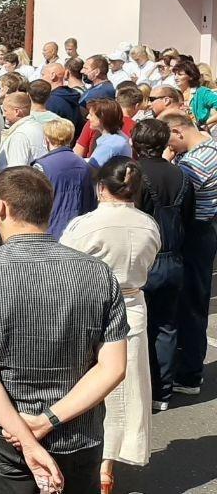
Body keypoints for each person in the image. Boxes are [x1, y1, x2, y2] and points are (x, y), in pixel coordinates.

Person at [0, 166, 129, 494]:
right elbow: (113, 367)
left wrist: (28, 438)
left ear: (0, 207)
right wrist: (49, 419)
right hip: (78, 430)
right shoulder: (98, 274)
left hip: (7, 431)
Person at [59, 157, 159, 492]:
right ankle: (107, 464)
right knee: (123, 389)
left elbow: (64, 267)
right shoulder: (148, 224)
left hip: (89, 309)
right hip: (131, 306)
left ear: (102, 187)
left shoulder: (85, 225)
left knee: (84, 381)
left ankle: (80, 455)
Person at [129, 119, 192, 412]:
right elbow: (188, 216)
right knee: (166, 325)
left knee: (136, 326)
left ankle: (140, 389)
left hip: (145, 258)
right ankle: (162, 392)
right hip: (174, 256)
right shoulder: (181, 174)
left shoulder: (135, 176)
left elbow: (130, 218)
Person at [161, 113, 217, 397]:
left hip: (195, 232)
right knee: (193, 299)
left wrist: (166, 158)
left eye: (168, 137)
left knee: (192, 303)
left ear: (178, 132)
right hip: (204, 229)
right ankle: (188, 368)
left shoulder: (196, 163)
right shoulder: (210, 147)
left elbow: (177, 195)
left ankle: (189, 373)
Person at [32, 118, 96, 240]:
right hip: (80, 231)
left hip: (51, 230)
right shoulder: (83, 164)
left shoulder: (41, 166)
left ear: (47, 139)